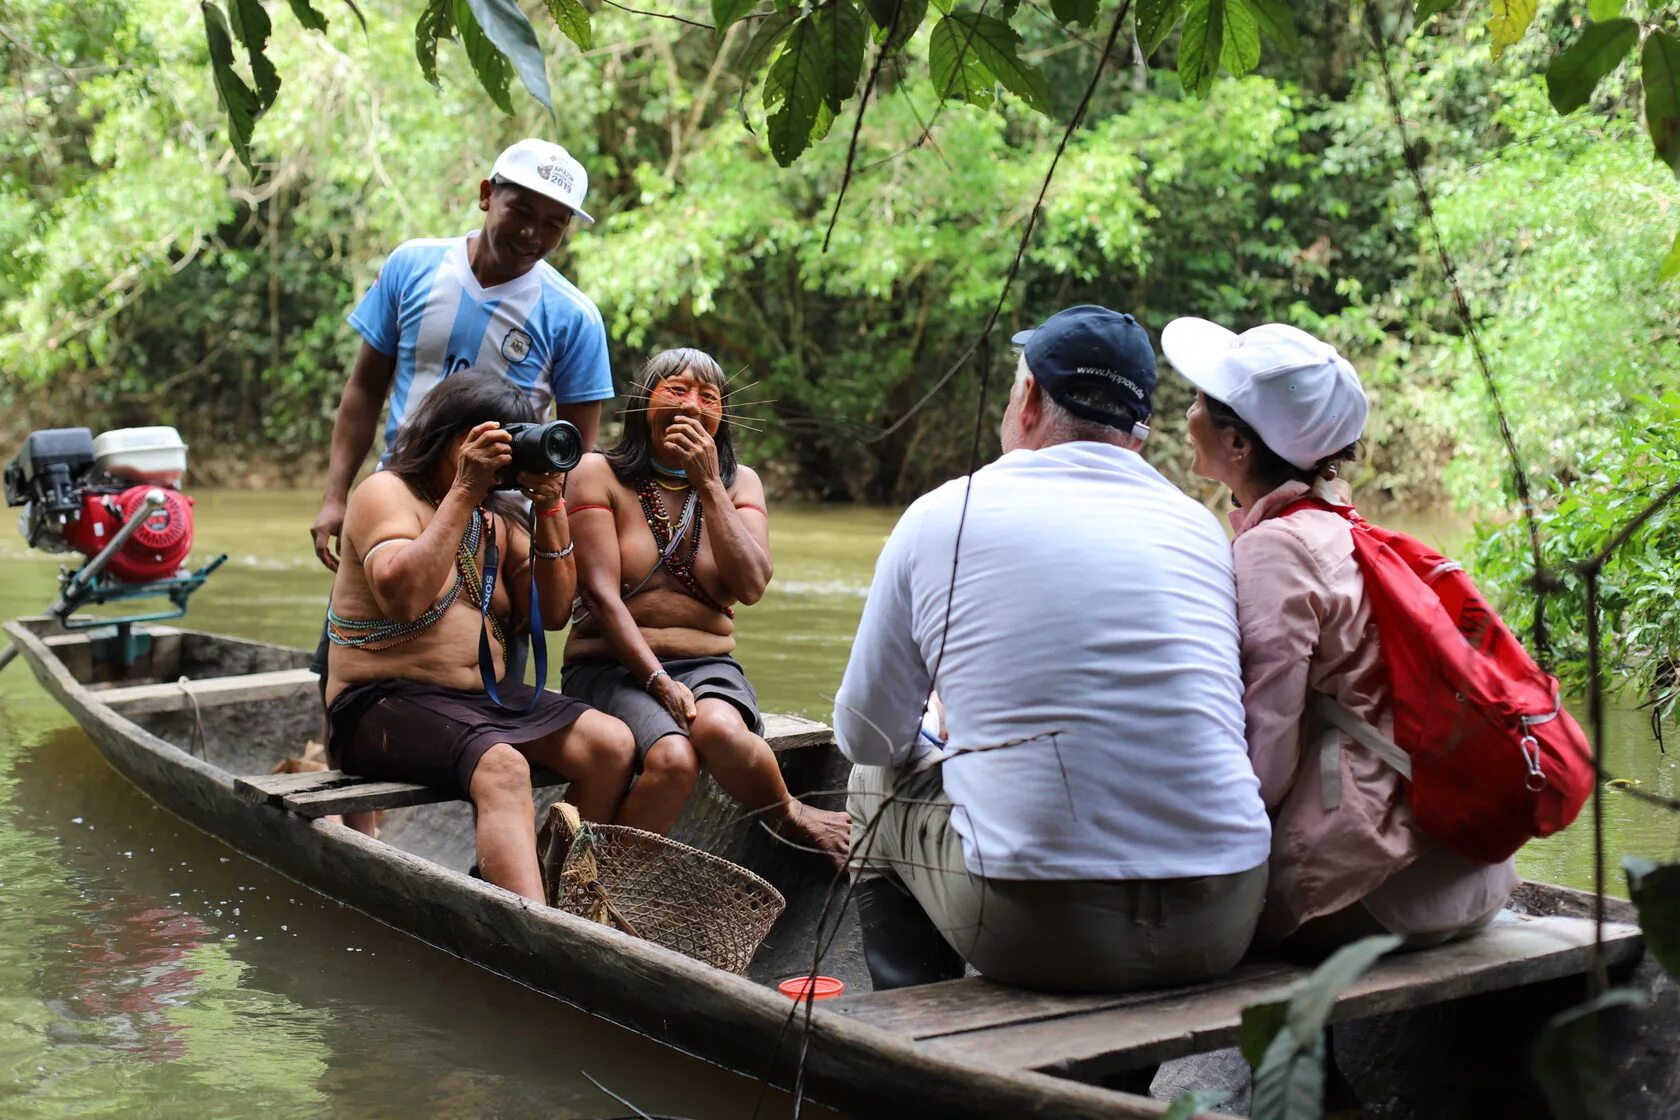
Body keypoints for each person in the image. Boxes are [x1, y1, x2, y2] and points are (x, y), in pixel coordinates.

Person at [834, 305, 1273, 993]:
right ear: (1136, 434)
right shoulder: (1201, 529)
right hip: (1224, 916)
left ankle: (913, 1035)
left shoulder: (943, 514)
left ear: (1029, 398)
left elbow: (865, 735)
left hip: (1043, 929)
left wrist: (945, 739)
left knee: (873, 783)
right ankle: (1117, 1084)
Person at [1165, 317, 1518, 954]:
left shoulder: (1275, 549)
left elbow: (1265, 753)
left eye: (1198, 404)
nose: (1187, 413)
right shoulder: (1340, 527)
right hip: (1468, 878)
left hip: (1376, 891)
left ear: (1239, 445)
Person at [324, 370, 637, 903]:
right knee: (503, 766)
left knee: (612, 745)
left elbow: (556, 613)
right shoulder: (386, 493)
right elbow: (404, 596)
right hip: (377, 705)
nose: (500, 461)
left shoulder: (496, 516)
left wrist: (550, 508)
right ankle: (532, 929)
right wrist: (466, 490)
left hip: (473, 702)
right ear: (447, 437)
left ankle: (543, 895)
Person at [561, 347, 850, 863]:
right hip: (611, 668)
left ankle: (788, 811)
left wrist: (709, 484)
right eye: (675, 391)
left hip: (708, 665)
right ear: (643, 403)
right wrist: (656, 681)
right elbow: (601, 595)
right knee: (673, 759)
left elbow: (753, 585)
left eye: (708, 397)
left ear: (722, 416)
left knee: (719, 730)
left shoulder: (740, 483)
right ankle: (594, 892)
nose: (692, 406)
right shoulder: (595, 472)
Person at [309, 138, 615, 573]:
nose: (533, 234)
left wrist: (552, 539)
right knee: (359, 636)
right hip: (396, 499)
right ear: (487, 194)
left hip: (500, 524)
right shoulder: (412, 266)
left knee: (484, 642)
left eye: (554, 224)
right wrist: (335, 498)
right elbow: (365, 387)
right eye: (522, 212)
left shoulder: (574, 316)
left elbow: (576, 452)